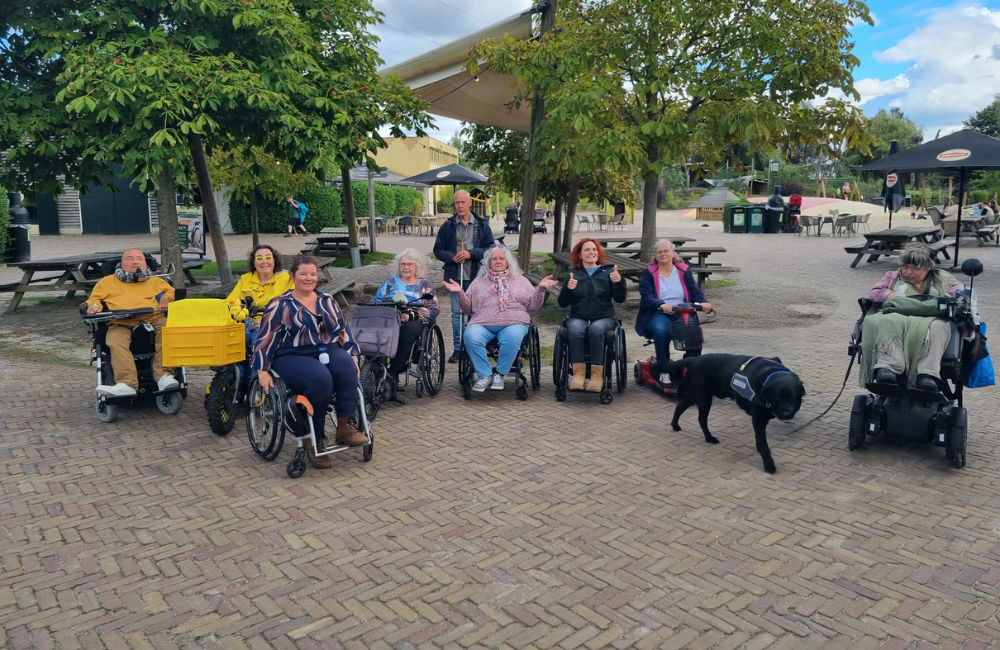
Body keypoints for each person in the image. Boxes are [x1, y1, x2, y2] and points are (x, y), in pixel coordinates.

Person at [252, 254, 366, 468]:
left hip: (327, 348)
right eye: (303, 274)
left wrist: (352, 354)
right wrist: (262, 370)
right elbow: (265, 337)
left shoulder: (327, 300)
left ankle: (345, 427)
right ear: (293, 276)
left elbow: (343, 330)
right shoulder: (280, 305)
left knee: (348, 369)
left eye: (312, 274)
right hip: (292, 354)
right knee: (320, 379)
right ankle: (314, 439)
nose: (309, 278)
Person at [442, 246, 558, 391]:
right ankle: (485, 375)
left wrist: (540, 289)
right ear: (488, 262)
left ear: (508, 261)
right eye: (494, 259)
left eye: (501, 258)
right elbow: (467, 308)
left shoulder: (520, 281)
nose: (498, 261)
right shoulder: (478, 282)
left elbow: (533, 307)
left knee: (513, 337)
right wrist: (460, 293)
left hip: (514, 322)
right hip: (482, 323)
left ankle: (500, 373)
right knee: (470, 336)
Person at [861, 243, 964, 392]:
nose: (909, 272)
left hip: (931, 318)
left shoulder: (942, 279)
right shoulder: (893, 277)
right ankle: (888, 368)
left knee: (939, 326)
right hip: (897, 315)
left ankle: (927, 375)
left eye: (916, 268)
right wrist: (890, 295)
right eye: (905, 266)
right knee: (886, 320)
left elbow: (962, 296)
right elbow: (875, 293)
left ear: (928, 267)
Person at [84, 248, 178, 397]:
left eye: (139, 259)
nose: (135, 261)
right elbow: (94, 300)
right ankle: (126, 384)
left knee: (170, 331)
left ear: (146, 264)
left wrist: (166, 298)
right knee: (115, 340)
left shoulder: (155, 280)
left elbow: (170, 292)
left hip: (153, 318)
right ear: (121, 264)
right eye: (129, 259)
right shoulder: (107, 282)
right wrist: (94, 307)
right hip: (121, 321)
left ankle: (164, 376)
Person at [433, 189, 495, 363]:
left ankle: (473, 346)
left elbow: (491, 249)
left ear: (470, 203)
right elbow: (437, 249)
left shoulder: (482, 225)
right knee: (457, 313)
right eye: (457, 203)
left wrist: (471, 254)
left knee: (475, 313)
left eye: (462, 202)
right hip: (455, 276)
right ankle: (458, 349)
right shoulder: (448, 226)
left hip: (477, 278)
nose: (459, 206)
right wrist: (451, 257)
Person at [635, 240, 713, 381]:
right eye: (659, 252)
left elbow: (693, 290)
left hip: (682, 311)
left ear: (673, 253)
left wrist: (703, 302)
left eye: (666, 251)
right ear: (655, 255)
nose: (663, 254)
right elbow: (646, 296)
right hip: (658, 313)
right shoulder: (649, 272)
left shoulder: (683, 270)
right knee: (662, 330)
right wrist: (660, 303)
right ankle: (664, 369)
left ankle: (691, 367)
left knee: (693, 329)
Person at [557, 238, 626, 391]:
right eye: (586, 250)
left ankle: (596, 376)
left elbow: (620, 299)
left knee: (596, 329)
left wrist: (619, 282)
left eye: (594, 249)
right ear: (579, 255)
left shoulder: (608, 272)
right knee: (575, 329)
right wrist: (568, 289)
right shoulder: (573, 274)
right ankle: (578, 374)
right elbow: (562, 303)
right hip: (578, 316)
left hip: (604, 317)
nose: (591, 252)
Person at [371, 249, 440, 401]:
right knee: (373, 332)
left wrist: (413, 314)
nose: (406, 267)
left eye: (410, 264)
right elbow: (375, 300)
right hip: (389, 317)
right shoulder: (390, 282)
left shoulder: (425, 284)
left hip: (414, 321)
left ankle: (393, 372)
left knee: (407, 330)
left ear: (417, 267)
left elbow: (433, 309)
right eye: (403, 264)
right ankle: (373, 370)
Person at [226, 244, 294, 324]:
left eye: (268, 258)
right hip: (244, 324)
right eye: (259, 258)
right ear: (254, 262)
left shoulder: (287, 278)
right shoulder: (245, 279)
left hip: (275, 326)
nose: (264, 262)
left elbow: (293, 308)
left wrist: (264, 323)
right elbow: (229, 303)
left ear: (274, 261)